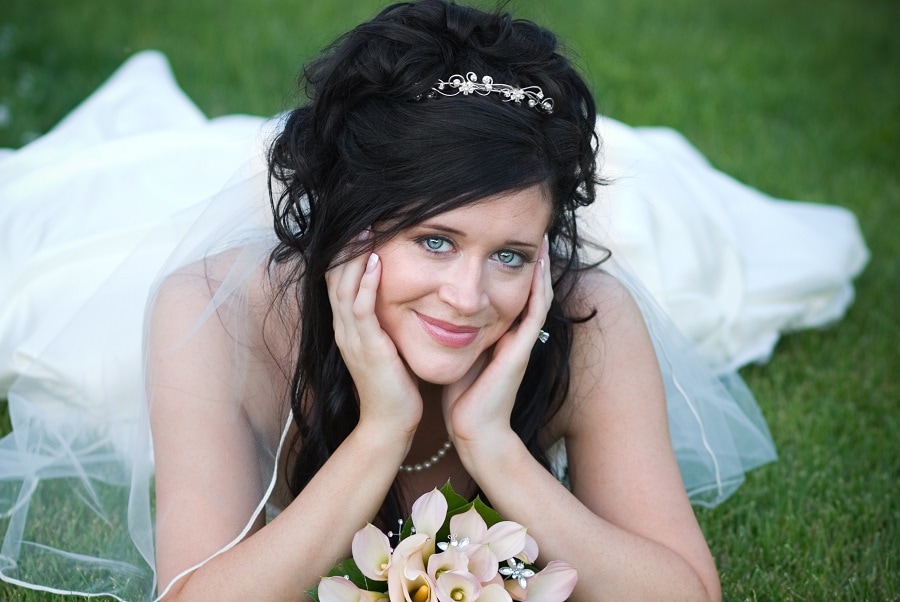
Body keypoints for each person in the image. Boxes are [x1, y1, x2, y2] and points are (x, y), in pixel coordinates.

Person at [0, 1, 868, 600]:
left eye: (512, 254)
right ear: (350, 217)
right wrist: (380, 430)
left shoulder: (586, 318)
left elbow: (683, 592)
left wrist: (495, 448)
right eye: (435, 240)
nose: (467, 296)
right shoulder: (216, 320)